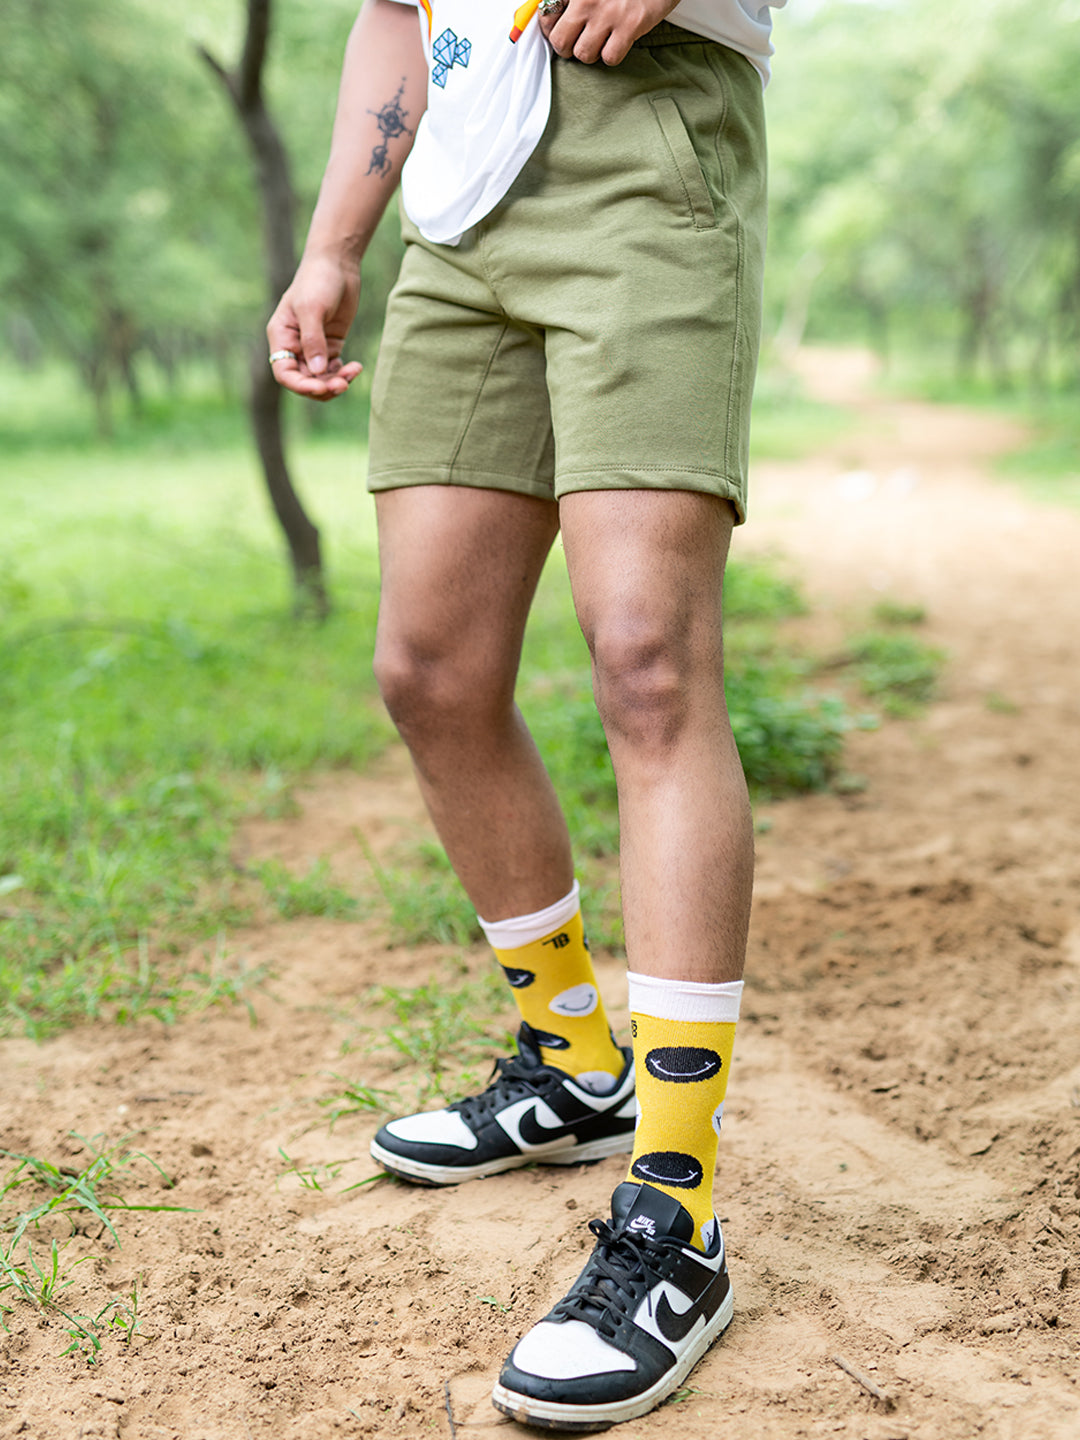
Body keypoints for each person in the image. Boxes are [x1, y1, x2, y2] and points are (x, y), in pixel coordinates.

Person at [268, 0, 783, 1427]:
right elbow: (392, 11)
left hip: (647, 141)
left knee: (647, 661)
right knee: (430, 671)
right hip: (461, 185)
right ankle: (572, 1060)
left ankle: (675, 1212)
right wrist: (333, 245)